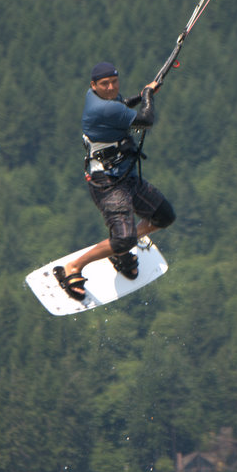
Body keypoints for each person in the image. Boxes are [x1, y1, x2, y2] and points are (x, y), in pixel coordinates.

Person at [53, 62, 176, 301]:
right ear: (93, 85)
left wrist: (140, 96)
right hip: (106, 182)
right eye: (104, 84)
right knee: (123, 238)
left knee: (164, 217)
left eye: (114, 82)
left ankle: (119, 252)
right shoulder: (102, 109)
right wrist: (148, 96)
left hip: (126, 175)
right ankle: (75, 266)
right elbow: (146, 120)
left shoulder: (105, 100)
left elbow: (122, 105)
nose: (111, 88)